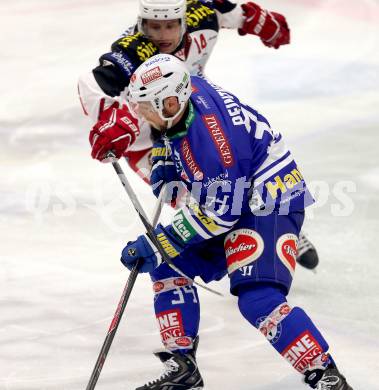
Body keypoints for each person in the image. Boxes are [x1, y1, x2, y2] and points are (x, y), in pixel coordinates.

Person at [120, 54, 353, 390]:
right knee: (167, 265)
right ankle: (183, 368)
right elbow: (173, 136)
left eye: (145, 107)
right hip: (233, 191)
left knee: (257, 297)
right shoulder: (185, 92)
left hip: (268, 202)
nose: (140, 114)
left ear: (170, 102)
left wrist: (160, 243)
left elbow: (220, 214)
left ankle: (325, 374)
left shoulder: (214, 148)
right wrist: (163, 154)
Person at [78, 0, 319, 269]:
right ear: (141, 23)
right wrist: (118, 119)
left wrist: (254, 20)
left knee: (239, 168)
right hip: (148, 136)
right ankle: (233, 245)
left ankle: (271, 226)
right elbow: (89, 84)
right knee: (188, 196)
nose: (163, 35)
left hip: (196, 115)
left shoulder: (202, 15)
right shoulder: (131, 51)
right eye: (153, 27)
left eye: (170, 25)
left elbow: (232, 14)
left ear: (184, 20)